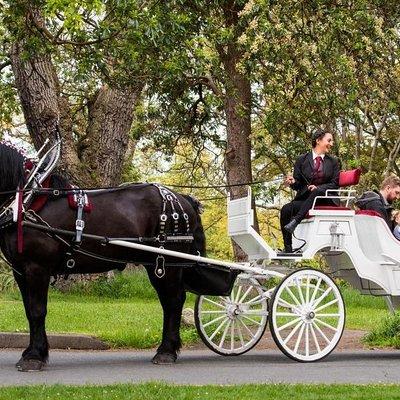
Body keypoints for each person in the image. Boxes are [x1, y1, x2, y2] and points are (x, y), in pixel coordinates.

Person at [280, 128, 340, 254]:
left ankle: (295, 221)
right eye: (329, 140)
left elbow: (334, 184)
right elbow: (297, 184)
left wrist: (318, 188)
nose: (331, 143)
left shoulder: (333, 162)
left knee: (317, 191)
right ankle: (288, 248)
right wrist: (292, 182)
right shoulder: (301, 159)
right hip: (306, 201)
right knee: (286, 209)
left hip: (325, 200)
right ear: (318, 140)